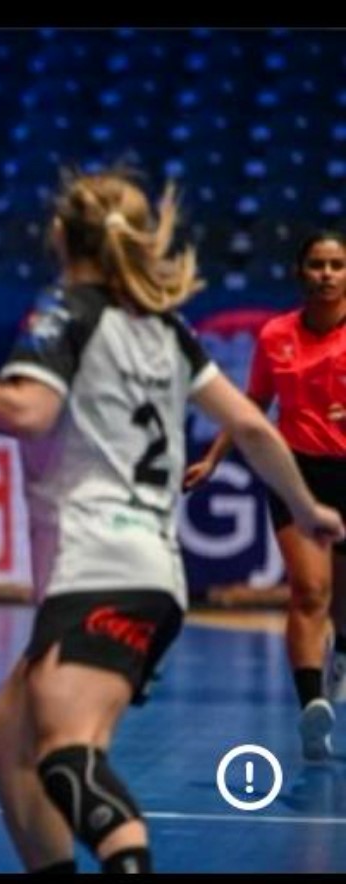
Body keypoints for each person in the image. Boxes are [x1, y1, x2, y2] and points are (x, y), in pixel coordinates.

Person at [0, 169, 344, 874]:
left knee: (67, 756)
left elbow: (27, 413)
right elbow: (251, 426)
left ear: (61, 235)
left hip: (98, 568)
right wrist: (306, 506)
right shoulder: (167, 327)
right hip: (147, 570)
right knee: (3, 743)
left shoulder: (65, 313)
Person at [184, 231, 346, 761]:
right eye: (317, 264)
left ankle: (340, 656)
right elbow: (252, 404)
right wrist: (213, 459)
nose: (327, 274)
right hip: (295, 476)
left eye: (337, 265)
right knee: (309, 591)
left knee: (342, 603)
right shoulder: (276, 335)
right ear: (300, 272)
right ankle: (312, 710)